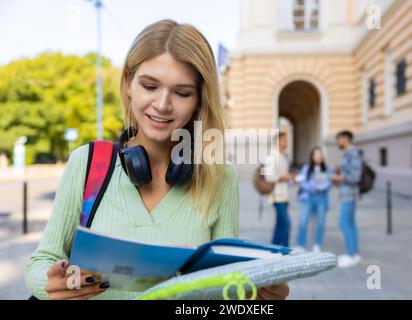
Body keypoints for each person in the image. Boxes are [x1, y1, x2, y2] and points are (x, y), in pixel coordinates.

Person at [24, 20, 288, 300]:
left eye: (182, 93)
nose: (162, 104)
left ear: (199, 99)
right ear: (128, 83)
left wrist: (253, 300)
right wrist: (51, 283)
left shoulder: (220, 177)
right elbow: (41, 261)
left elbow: (222, 290)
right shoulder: (87, 163)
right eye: (150, 86)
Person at [332, 130, 363, 268]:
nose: (338, 142)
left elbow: (355, 176)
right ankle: (353, 253)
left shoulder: (353, 153)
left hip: (349, 194)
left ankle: (352, 255)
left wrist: (339, 177)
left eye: (339, 139)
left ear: (345, 139)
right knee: (350, 224)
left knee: (344, 223)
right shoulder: (349, 154)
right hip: (347, 193)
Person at [292, 146, 332, 254]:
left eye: (320, 154)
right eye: (316, 154)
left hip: (321, 198)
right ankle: (301, 245)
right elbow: (302, 181)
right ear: (312, 156)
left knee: (320, 222)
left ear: (322, 156)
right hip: (308, 198)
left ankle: (317, 245)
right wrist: (311, 187)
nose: (318, 156)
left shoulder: (327, 169)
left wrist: (320, 187)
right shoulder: (306, 168)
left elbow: (328, 183)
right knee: (303, 221)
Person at [263, 131, 293, 247]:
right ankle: (284, 249)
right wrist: (285, 177)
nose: (286, 142)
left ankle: (273, 248)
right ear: (277, 142)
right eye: (284, 140)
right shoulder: (272, 156)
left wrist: (289, 178)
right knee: (286, 224)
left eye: (287, 140)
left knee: (280, 224)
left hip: (284, 195)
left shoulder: (282, 156)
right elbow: (269, 176)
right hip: (277, 195)